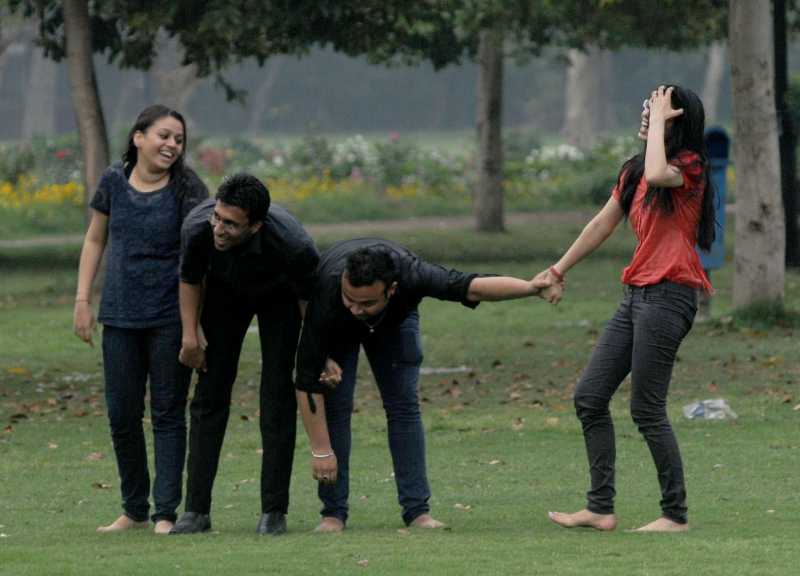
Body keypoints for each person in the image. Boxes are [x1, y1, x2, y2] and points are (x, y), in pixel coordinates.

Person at [541, 85, 715, 533]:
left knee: (646, 408)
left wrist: (659, 120)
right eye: (645, 108)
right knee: (590, 397)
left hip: (670, 295)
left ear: (674, 121)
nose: (645, 115)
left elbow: (661, 173)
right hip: (636, 295)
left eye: (655, 110)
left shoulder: (688, 166)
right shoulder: (635, 172)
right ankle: (600, 508)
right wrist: (557, 270)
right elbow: (601, 223)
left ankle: (674, 515)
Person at [294, 238, 554, 533]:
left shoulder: (412, 274)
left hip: (395, 324)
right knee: (336, 408)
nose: (356, 309)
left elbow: (471, 286)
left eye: (366, 302)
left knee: (403, 406)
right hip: (335, 330)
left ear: (391, 290)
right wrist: (321, 451)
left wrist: (531, 288)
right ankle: (332, 514)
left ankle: (417, 512)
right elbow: (305, 382)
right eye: (350, 299)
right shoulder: (329, 295)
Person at [73, 105, 209, 534]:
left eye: (178, 140)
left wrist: (195, 324)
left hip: (170, 315)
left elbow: (202, 257)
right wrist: (82, 299)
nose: (171, 145)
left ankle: (165, 512)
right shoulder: (114, 180)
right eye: (163, 136)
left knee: (168, 412)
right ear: (138, 137)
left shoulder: (187, 187)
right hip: (119, 315)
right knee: (121, 414)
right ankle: (133, 508)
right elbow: (95, 239)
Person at [171, 173, 319, 535]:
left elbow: (307, 302)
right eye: (217, 218)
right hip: (224, 295)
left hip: (280, 299)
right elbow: (190, 279)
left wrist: (317, 351)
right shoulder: (197, 228)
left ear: (255, 226)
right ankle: (195, 512)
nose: (219, 228)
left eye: (231, 224)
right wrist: (190, 334)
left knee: (277, 397)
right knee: (209, 394)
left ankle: (273, 512)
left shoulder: (294, 244)